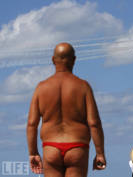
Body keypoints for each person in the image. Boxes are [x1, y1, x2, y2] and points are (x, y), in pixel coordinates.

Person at [26, 42, 106, 177]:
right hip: (77, 147)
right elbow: (94, 123)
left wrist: (33, 153)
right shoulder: (83, 87)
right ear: (74, 60)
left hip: (50, 147)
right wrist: (100, 153)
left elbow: (31, 124)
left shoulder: (41, 87)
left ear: (53, 60)